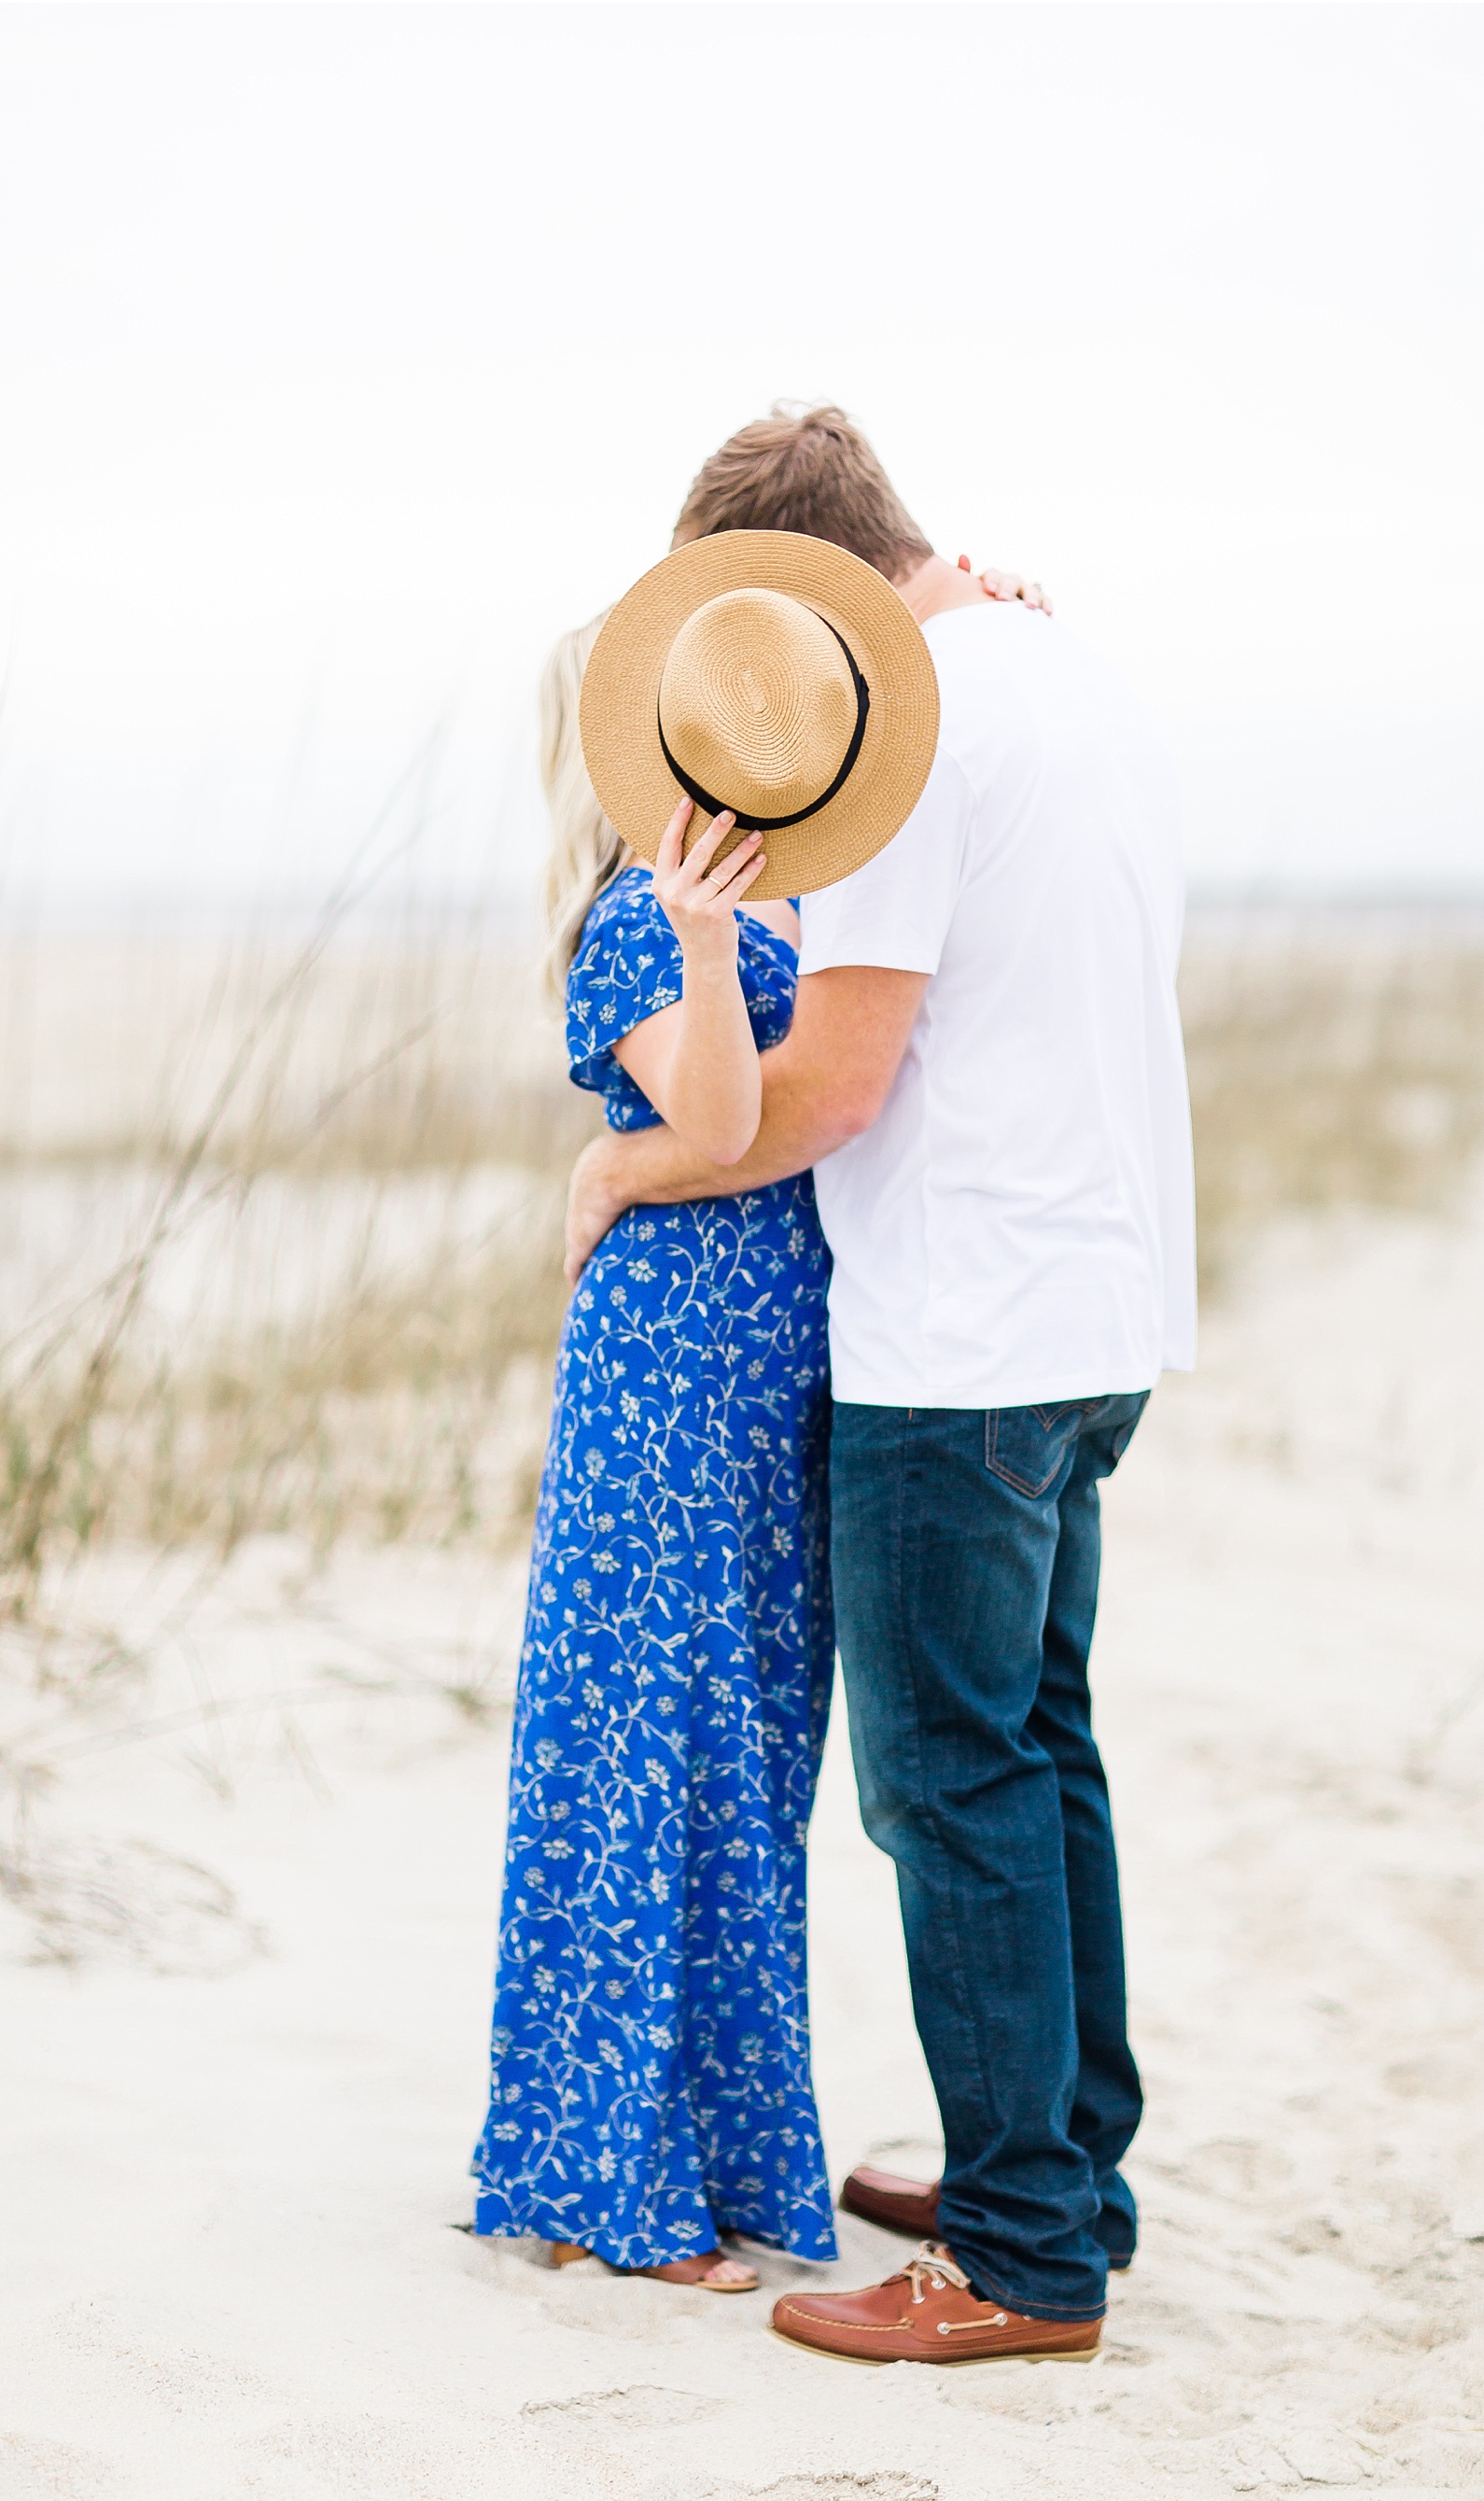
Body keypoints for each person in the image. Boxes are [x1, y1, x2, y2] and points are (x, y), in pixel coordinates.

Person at [563, 405, 1197, 2365]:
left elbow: (832, 1087)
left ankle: (1016, 2251)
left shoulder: (916, 731)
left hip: (964, 1333)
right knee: (1041, 1737)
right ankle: (1060, 2162)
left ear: (814, 599)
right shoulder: (1063, 670)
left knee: (949, 1779)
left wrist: (628, 1163)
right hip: (1099, 1304)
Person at [474, 540, 1044, 2296]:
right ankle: (615, 2187)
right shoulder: (641, 924)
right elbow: (724, 1122)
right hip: (667, 1384)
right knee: (650, 1750)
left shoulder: (819, 905)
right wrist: (710, 941)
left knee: (744, 1760)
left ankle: (707, 2160)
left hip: (773, 1385)